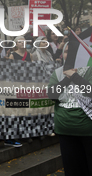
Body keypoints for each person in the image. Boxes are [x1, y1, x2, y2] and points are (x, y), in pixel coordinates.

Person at [48, 43, 92, 175]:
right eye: (67, 51)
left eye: (74, 51)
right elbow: (52, 95)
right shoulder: (57, 72)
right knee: (72, 170)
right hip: (65, 129)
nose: (70, 54)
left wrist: (75, 77)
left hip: (88, 130)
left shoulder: (90, 70)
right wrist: (67, 78)